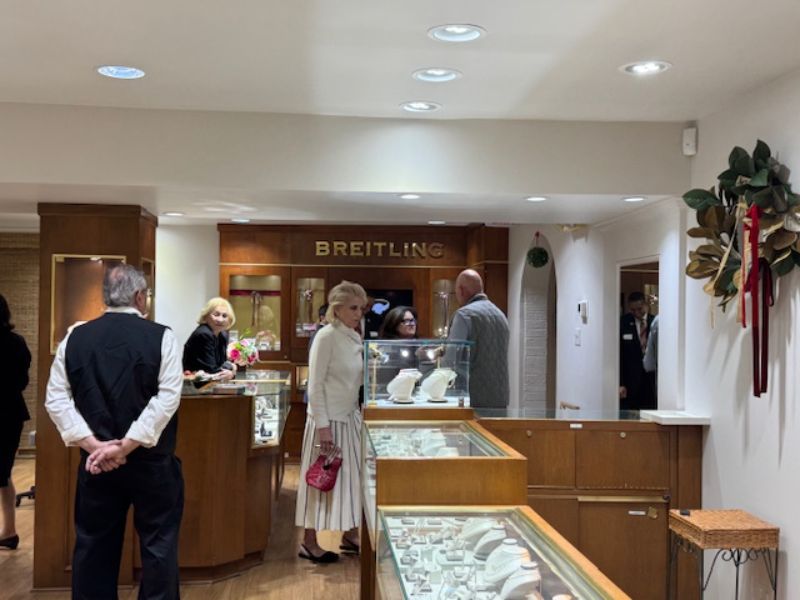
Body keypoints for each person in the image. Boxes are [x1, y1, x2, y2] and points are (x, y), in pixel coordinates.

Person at [44, 264, 184, 599]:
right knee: (159, 548)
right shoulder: (162, 336)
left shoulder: (75, 337)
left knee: (94, 547)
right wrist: (126, 446)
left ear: (105, 297)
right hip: (152, 462)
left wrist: (95, 446)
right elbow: (167, 398)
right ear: (140, 296)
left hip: (96, 464)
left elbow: (56, 399)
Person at [295, 280, 366, 563]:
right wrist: (323, 426)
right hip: (327, 421)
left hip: (349, 417)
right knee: (320, 480)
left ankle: (350, 533)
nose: (358, 313)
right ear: (337, 309)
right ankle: (309, 541)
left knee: (351, 480)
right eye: (353, 308)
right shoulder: (326, 337)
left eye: (361, 308)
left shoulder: (354, 337)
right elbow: (315, 386)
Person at [447, 269, 509, 408]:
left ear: (461, 290)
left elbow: (451, 360)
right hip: (500, 397)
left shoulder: (464, 315)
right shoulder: (500, 315)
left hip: (473, 398)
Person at [0, 294, 31, 550]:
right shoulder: (17, 342)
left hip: (6, 412)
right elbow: (22, 381)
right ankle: (9, 530)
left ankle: (8, 531)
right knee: (4, 471)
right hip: (11, 413)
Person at [182, 297, 236, 379]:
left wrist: (230, 370)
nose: (220, 320)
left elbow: (222, 365)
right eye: (216, 315)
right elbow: (212, 370)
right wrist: (232, 367)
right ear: (206, 316)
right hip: (196, 383)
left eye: (224, 316)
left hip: (211, 383)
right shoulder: (204, 334)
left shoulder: (222, 335)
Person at [619, 291, 656, 411]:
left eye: (639, 309)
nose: (636, 313)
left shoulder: (655, 322)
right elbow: (619, 356)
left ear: (645, 305)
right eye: (633, 310)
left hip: (651, 379)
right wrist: (620, 383)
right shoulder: (623, 323)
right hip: (630, 381)